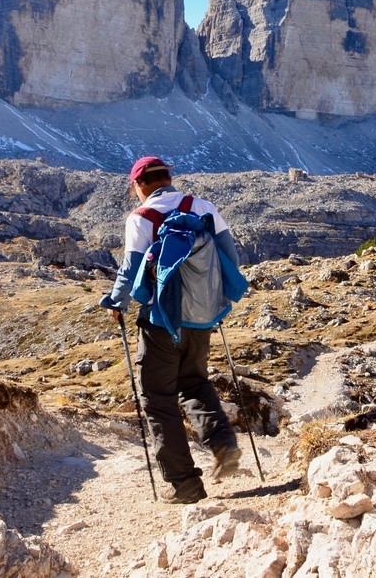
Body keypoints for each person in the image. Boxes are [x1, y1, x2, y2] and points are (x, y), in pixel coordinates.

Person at [99, 156, 243, 503]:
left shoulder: (141, 217)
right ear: (168, 178)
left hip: (161, 321)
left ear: (140, 185)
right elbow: (230, 258)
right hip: (202, 318)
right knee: (194, 381)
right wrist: (214, 300)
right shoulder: (202, 207)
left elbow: (131, 269)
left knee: (159, 400)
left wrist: (115, 303)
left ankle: (185, 485)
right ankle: (223, 443)